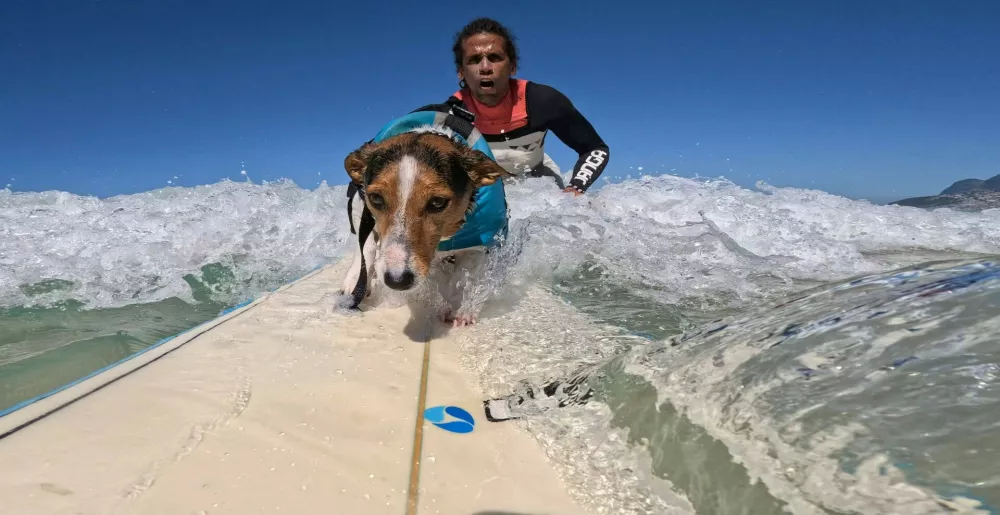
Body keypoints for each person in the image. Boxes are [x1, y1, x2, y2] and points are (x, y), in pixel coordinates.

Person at [429, 17, 611, 195]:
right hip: (485, 187)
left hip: (538, 178)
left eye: (494, 57)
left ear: (512, 67)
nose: (485, 67)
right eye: (474, 60)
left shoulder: (543, 101)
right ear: (461, 72)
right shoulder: (451, 114)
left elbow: (595, 149)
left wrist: (576, 188)